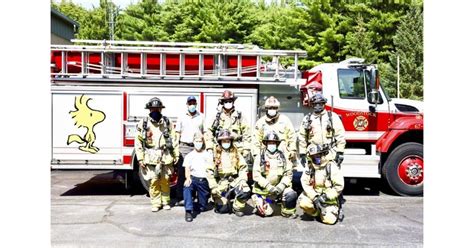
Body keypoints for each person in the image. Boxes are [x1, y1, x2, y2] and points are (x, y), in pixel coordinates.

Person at [135, 97, 179, 212]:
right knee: (153, 181)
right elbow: (138, 142)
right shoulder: (143, 123)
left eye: (157, 108)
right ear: (149, 109)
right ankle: (156, 203)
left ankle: (165, 202)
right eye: (153, 108)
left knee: (165, 180)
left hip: (165, 155)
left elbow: (173, 139)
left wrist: (176, 155)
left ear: (161, 109)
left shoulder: (167, 122)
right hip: (150, 156)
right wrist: (140, 158)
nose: (155, 111)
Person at [252, 131, 297, 218]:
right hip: (266, 191)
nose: (272, 145)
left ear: (277, 144)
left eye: (274, 143)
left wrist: (282, 185)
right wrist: (268, 186)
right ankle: (260, 199)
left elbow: (288, 174)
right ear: (265, 143)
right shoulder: (260, 157)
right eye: (269, 143)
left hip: (279, 188)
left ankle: (287, 212)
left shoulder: (283, 157)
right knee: (267, 213)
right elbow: (256, 175)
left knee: (291, 194)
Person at [206, 129, 251, 217]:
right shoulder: (215, 154)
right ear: (220, 142)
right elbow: (209, 172)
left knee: (245, 190)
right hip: (221, 183)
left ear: (231, 141)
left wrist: (242, 180)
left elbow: (243, 168)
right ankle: (221, 200)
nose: (226, 143)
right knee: (222, 210)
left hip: (234, 181)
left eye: (228, 141)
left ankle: (236, 207)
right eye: (223, 141)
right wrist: (213, 187)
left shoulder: (236, 152)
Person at [298, 143, 344, 224]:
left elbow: (339, 186)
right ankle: (316, 213)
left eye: (318, 155)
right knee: (304, 203)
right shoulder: (310, 167)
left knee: (329, 221)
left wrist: (325, 197)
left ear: (323, 154)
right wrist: (314, 197)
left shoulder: (331, 166)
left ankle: (328, 212)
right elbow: (305, 183)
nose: (316, 158)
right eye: (313, 156)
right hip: (314, 196)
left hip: (327, 199)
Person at [298, 93, 346, 167]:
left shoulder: (332, 117)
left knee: (335, 177)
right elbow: (302, 137)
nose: (317, 106)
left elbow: (340, 135)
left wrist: (340, 152)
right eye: (315, 104)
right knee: (308, 178)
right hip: (313, 155)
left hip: (330, 154)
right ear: (312, 105)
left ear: (324, 104)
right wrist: (302, 154)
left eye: (320, 104)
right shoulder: (307, 119)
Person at [205, 90, 252, 163]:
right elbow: (209, 132)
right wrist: (210, 148)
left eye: (230, 101)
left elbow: (247, 134)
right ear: (222, 103)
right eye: (226, 101)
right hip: (220, 151)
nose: (228, 103)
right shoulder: (217, 117)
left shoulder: (240, 117)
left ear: (233, 102)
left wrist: (246, 149)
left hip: (237, 151)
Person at [175, 96, 205, 205]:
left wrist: (205, 148)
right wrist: (175, 148)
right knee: (182, 172)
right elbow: (177, 133)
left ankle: (193, 197)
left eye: (194, 103)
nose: (192, 105)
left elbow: (205, 132)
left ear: (196, 104)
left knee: (196, 172)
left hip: (197, 147)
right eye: (190, 103)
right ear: (187, 105)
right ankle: (180, 197)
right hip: (184, 147)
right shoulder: (181, 116)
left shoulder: (201, 116)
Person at [252, 96, 297, 168]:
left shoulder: (285, 120)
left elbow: (292, 137)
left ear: (277, 109)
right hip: (266, 157)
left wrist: (292, 150)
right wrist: (257, 155)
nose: (272, 109)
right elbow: (255, 140)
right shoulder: (260, 123)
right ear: (266, 109)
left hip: (283, 156)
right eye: (270, 108)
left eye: (274, 108)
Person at [183, 132, 212, 222]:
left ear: (203, 142)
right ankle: (188, 210)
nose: (198, 143)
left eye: (200, 141)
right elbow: (187, 169)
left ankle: (196, 203)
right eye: (196, 141)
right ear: (193, 142)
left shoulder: (208, 155)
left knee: (202, 207)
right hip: (193, 179)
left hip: (204, 181)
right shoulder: (189, 155)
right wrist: (188, 178)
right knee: (187, 187)